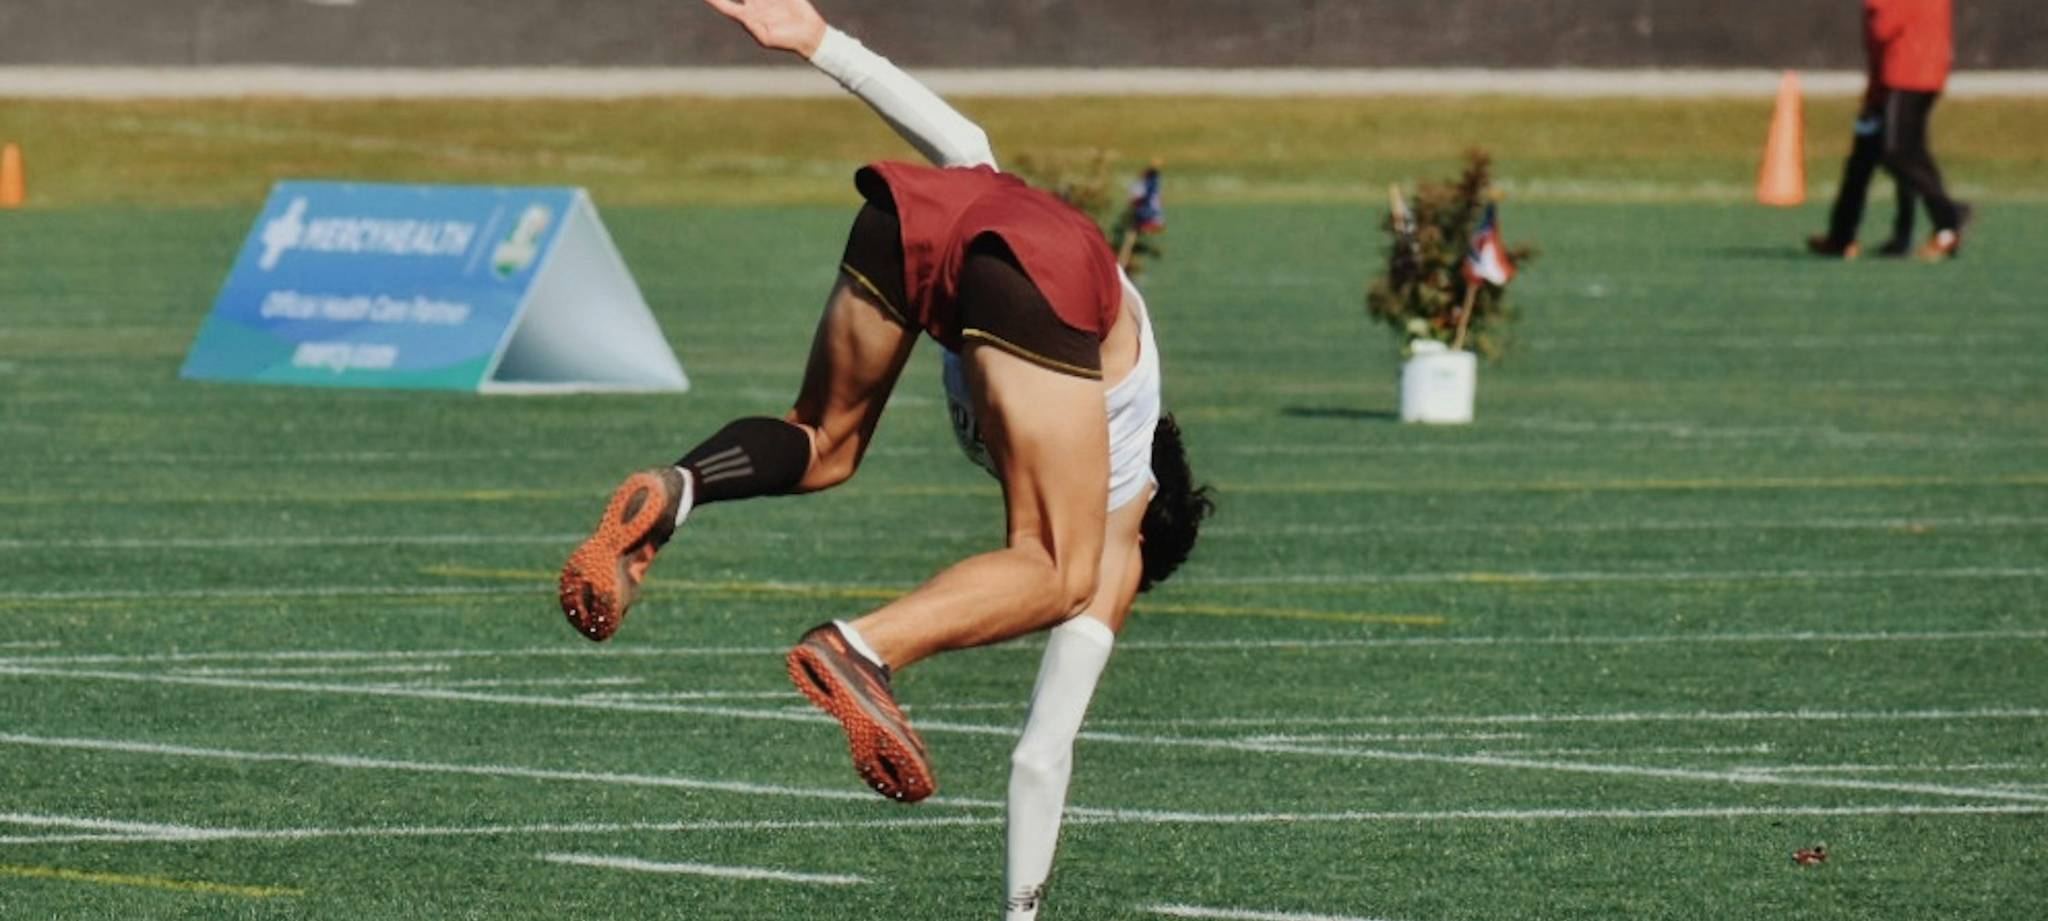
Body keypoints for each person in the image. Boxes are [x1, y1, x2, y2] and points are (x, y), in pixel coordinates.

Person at [556, 1, 1213, 916]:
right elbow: (1041, 750)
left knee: (823, 441)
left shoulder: (1061, 421)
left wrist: (819, 41)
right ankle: (861, 648)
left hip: (925, 214)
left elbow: (967, 145)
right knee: (1058, 572)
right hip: (1041, 264)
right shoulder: (1122, 520)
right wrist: (1021, 914)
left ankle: (680, 488)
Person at [1808, 0, 1970, 262]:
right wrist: (1874, 94)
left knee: (1897, 151)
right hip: (1906, 70)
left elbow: (1884, 26)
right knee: (1866, 154)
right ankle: (1845, 235)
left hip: (1910, 71)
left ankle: (1949, 219)